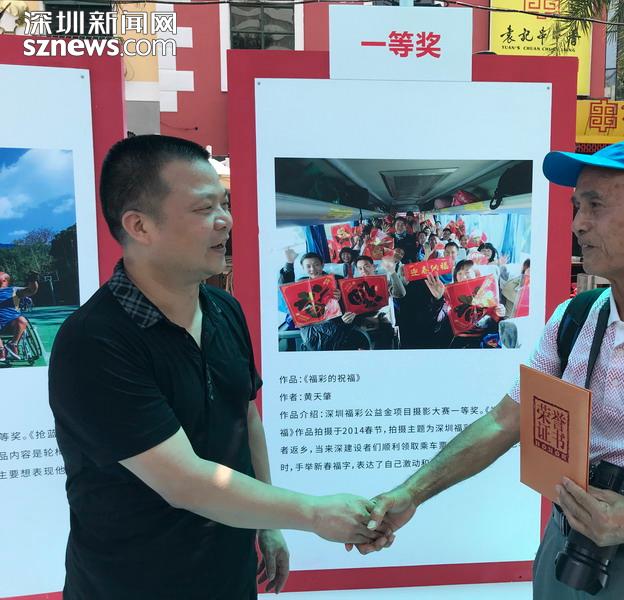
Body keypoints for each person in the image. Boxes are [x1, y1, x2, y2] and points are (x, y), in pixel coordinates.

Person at [352, 140, 624, 600]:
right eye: (576, 207)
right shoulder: (573, 321)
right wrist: (410, 493)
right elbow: (505, 420)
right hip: (565, 556)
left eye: (596, 206)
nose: (578, 224)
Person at [48, 135, 383, 600]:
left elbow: (245, 417)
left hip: (229, 574)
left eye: (224, 204)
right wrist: (311, 513)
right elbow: (183, 482)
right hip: (131, 583)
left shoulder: (225, 309)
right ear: (139, 225)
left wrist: (268, 527)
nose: (226, 220)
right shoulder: (95, 342)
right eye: (204, 208)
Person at [280, 251, 362, 351]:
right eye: (308, 266)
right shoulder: (301, 283)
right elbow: (285, 289)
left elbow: (351, 304)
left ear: (322, 265)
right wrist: (289, 263)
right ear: (303, 268)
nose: (313, 269)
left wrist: (341, 299)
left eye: (316, 265)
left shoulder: (337, 280)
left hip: (337, 324)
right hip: (312, 328)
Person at [350, 255, 406, 349]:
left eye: (366, 266)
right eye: (360, 268)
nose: (364, 270)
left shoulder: (383, 282)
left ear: (373, 267)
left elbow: (401, 293)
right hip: (363, 330)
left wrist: (392, 272)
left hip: (384, 328)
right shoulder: (355, 287)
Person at [0, 270, 38, 361]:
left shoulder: (14, 290)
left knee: (22, 320)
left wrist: (33, 280)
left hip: (12, 323)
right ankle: (1, 350)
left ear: (5, 280)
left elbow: (31, 290)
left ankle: (13, 344)